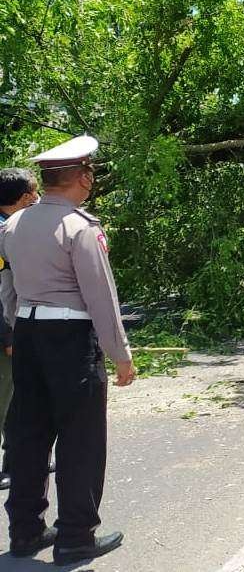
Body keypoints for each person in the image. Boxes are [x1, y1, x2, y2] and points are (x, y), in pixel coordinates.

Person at [0, 136, 135, 564]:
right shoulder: (80, 227)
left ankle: (24, 531)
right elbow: (101, 298)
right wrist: (121, 354)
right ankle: (76, 535)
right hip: (71, 339)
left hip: (27, 333)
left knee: (29, 435)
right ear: (81, 177)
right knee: (81, 440)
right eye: (90, 171)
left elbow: (8, 290)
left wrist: (19, 327)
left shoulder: (13, 225)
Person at [0, 168, 40, 492]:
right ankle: (11, 466)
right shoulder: (3, 233)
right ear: (25, 197)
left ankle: (15, 461)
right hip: (4, 335)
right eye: (35, 194)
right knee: (9, 401)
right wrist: (9, 334)